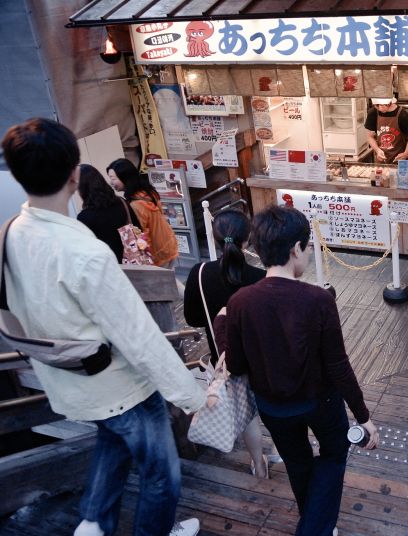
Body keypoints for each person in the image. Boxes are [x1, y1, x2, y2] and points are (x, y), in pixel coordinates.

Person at [2, 118, 204, 536]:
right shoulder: (85, 254)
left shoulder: (10, 234)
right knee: (162, 476)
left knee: (112, 445)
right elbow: (141, 338)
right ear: (75, 175)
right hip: (121, 386)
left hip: (67, 381)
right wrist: (192, 396)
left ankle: (93, 523)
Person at [225, 206, 379, 536]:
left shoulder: (239, 302)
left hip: (272, 407)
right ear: (296, 249)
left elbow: (235, 366)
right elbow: (338, 365)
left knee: (297, 463)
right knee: (335, 453)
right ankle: (315, 529)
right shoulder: (318, 299)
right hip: (319, 402)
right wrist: (363, 416)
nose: (307, 253)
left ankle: (315, 523)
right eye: (307, 247)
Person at [183, 210, 270, 478]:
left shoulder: (199, 273)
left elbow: (193, 317)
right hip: (259, 358)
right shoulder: (260, 277)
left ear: (215, 238)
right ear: (247, 240)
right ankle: (271, 453)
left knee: (247, 415)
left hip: (223, 358)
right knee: (263, 408)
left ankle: (258, 464)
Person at [107, 158, 178, 268]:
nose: (111, 183)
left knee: (163, 283)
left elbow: (143, 235)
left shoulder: (137, 205)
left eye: (113, 178)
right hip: (168, 243)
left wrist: (148, 261)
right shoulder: (148, 191)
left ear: (125, 178)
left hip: (158, 253)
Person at [77, 164, 143, 263]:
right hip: (133, 262)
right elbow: (138, 228)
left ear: (82, 188)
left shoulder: (84, 217)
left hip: (109, 267)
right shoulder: (121, 202)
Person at [364, 97, 408, 165]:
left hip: (399, 160)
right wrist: (377, 150)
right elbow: (370, 136)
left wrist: (405, 154)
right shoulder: (373, 113)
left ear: (389, 103)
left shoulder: (403, 115)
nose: (379, 108)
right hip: (380, 160)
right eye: (377, 105)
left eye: (382, 105)